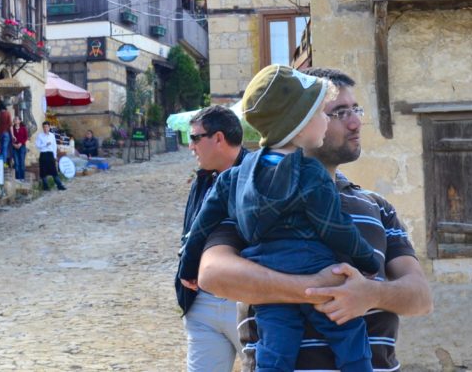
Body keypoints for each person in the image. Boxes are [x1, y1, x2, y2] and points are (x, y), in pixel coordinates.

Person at [196, 68, 433, 372]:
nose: (355, 122)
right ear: (299, 121)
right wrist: (315, 288)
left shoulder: (377, 207)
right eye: (337, 112)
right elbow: (213, 275)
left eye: (355, 109)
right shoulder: (250, 201)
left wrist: (368, 294)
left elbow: (421, 297)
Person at [177, 105, 248, 372]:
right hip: (202, 303)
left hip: (246, 300)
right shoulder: (203, 180)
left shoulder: (259, 176)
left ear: (218, 138)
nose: (190, 146)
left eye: (195, 138)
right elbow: (191, 231)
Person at [34, 121, 66, 191]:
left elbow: (54, 146)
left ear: (49, 127)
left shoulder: (52, 135)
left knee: (54, 171)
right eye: (44, 127)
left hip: (50, 154)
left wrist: (54, 156)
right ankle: (45, 186)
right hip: (43, 154)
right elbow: (37, 146)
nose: (45, 128)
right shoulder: (40, 136)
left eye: (47, 127)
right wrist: (45, 144)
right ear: (43, 128)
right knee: (43, 171)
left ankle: (59, 185)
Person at [10, 116, 29, 182]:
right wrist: (14, 144)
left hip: (22, 147)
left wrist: (20, 143)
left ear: (20, 121)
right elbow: (11, 138)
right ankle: (17, 178)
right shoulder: (12, 129)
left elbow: (26, 137)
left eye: (16, 119)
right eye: (14, 119)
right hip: (14, 147)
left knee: (22, 162)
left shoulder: (23, 128)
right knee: (16, 162)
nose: (15, 120)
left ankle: (22, 177)